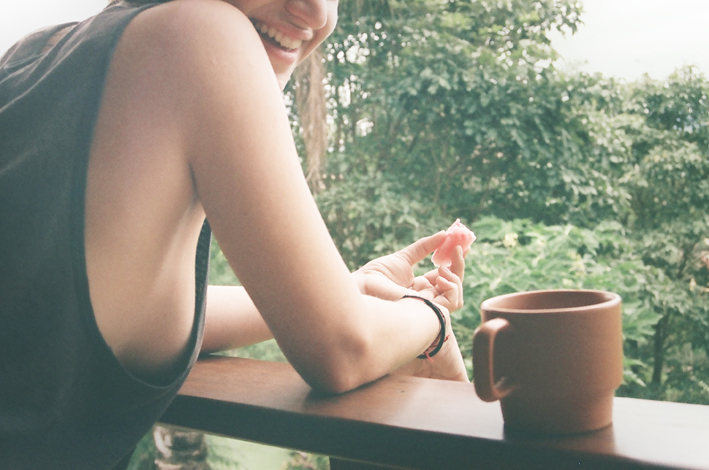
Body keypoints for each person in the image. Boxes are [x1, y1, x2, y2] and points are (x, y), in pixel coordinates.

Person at [0, 0, 469, 468]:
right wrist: (430, 319)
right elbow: (344, 351)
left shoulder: (32, 56)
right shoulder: (201, 32)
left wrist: (349, 290)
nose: (316, 11)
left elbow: (111, 313)